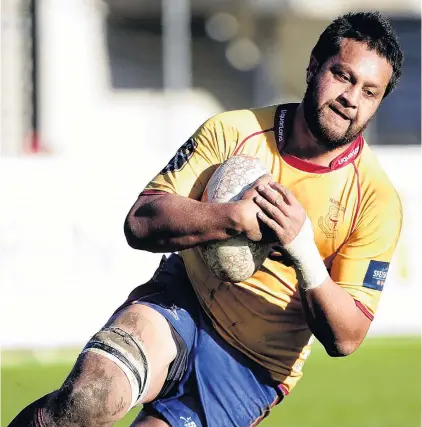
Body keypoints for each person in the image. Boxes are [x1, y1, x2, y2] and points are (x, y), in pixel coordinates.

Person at [10, 10, 404, 427]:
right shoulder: (234, 132)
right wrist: (232, 217)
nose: (351, 98)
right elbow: (142, 220)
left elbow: (346, 337)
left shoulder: (376, 199)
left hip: (252, 371)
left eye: (370, 92)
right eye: (343, 76)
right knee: (89, 398)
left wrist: (302, 250)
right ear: (312, 67)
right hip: (182, 300)